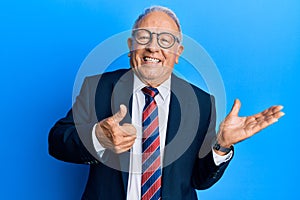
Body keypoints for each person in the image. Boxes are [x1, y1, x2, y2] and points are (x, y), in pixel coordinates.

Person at [48, 6, 284, 200]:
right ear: (131, 46)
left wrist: (221, 146)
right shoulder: (97, 87)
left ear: (178, 52)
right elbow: (57, 142)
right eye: (144, 37)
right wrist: (97, 137)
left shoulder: (201, 103)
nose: (153, 47)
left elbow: (199, 181)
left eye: (165, 40)